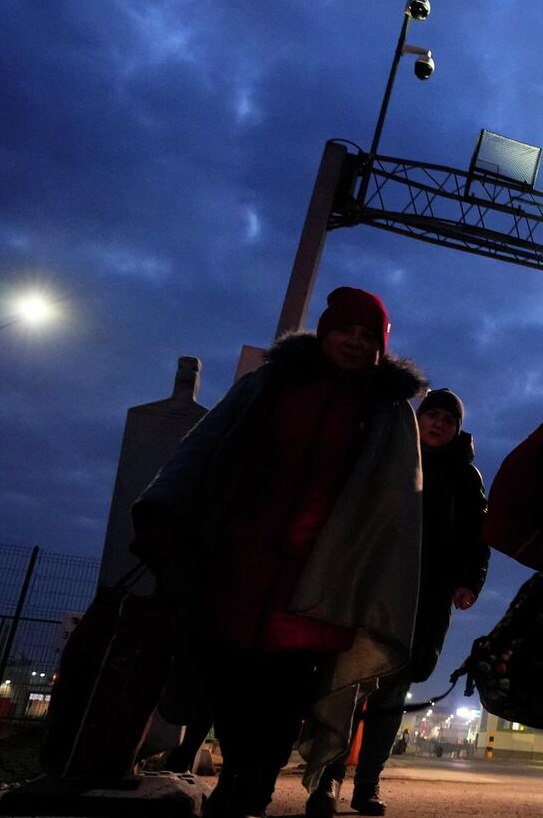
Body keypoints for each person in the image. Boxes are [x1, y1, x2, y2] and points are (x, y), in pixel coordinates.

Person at [132, 286, 426, 818]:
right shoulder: (274, 382)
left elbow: (394, 506)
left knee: (285, 691)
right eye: (344, 331)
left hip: (321, 579)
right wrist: (163, 508)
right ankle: (241, 773)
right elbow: (207, 442)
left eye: (367, 337)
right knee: (231, 679)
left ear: (380, 348)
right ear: (324, 332)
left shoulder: (386, 412)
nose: (354, 343)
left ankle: (255, 784)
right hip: (240, 564)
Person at [309, 387, 487, 818]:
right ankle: (328, 781)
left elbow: (476, 537)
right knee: (350, 684)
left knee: (391, 693)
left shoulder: (466, 477)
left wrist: (469, 582)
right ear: (418, 419)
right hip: (373, 589)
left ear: (456, 429)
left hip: (425, 599)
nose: (438, 425)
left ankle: (366, 784)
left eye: (448, 420)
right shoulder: (393, 457)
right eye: (432, 416)